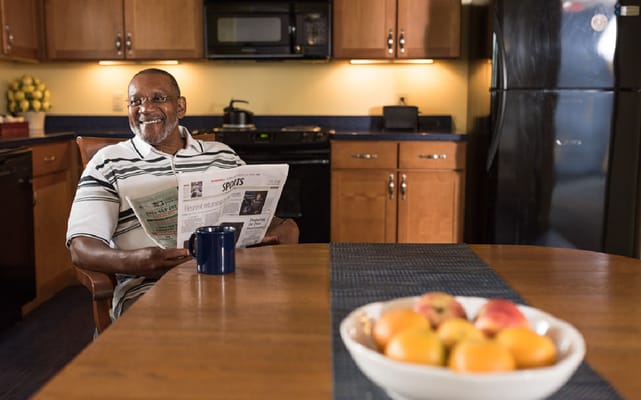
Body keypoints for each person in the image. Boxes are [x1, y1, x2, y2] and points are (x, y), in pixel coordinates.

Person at [66, 68, 298, 320]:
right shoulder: (108, 163)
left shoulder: (222, 155)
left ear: (180, 107)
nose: (145, 108)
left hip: (234, 278)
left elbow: (262, 219)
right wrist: (137, 262)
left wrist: (282, 228)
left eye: (158, 98)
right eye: (135, 101)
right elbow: (82, 248)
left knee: (291, 315)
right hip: (151, 288)